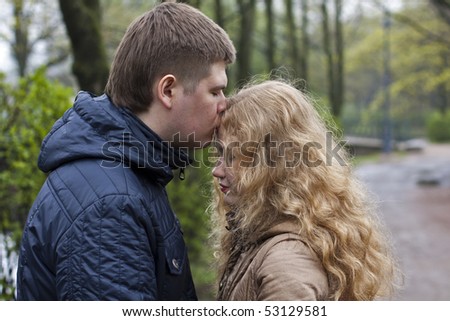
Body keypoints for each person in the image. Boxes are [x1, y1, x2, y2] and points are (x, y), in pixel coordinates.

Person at [16, 2, 235, 300]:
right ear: (168, 91)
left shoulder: (129, 173)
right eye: (215, 91)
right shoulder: (111, 206)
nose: (225, 104)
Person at [210, 80, 400, 300]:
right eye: (219, 154)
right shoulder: (262, 231)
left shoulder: (285, 263)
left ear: (271, 163)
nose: (217, 170)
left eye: (231, 156)